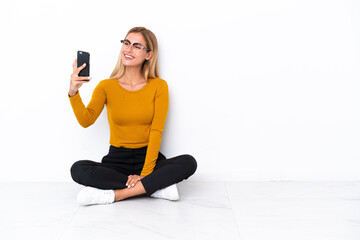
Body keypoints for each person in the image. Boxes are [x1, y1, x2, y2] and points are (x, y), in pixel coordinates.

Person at [68, 27, 197, 206]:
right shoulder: (106, 86)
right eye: (126, 43)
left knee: (189, 162)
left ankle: (116, 195)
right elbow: (85, 120)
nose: (128, 49)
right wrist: (73, 92)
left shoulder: (159, 86)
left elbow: (156, 131)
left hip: (149, 159)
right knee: (78, 169)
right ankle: (155, 188)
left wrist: (145, 172)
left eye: (137, 46)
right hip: (116, 161)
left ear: (149, 55)